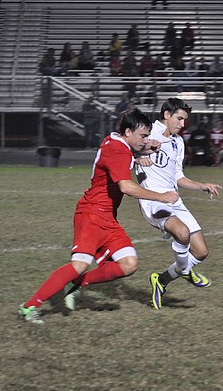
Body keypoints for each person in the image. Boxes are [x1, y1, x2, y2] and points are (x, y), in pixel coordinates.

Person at [18, 109, 179, 324]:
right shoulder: (119, 150)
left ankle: (76, 284)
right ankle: (29, 307)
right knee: (80, 264)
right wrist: (162, 196)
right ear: (128, 132)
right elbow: (127, 187)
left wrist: (141, 150)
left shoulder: (114, 140)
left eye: (147, 136)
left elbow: (123, 153)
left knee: (129, 264)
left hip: (107, 218)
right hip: (91, 214)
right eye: (142, 136)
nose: (146, 140)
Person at [135, 97, 222, 310]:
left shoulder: (178, 142)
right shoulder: (148, 132)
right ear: (166, 115)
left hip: (174, 199)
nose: (183, 124)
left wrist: (201, 185)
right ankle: (184, 270)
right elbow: (124, 149)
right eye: (180, 119)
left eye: (185, 120)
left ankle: (161, 280)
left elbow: (178, 177)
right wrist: (137, 157)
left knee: (201, 251)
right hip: (153, 200)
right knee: (182, 234)